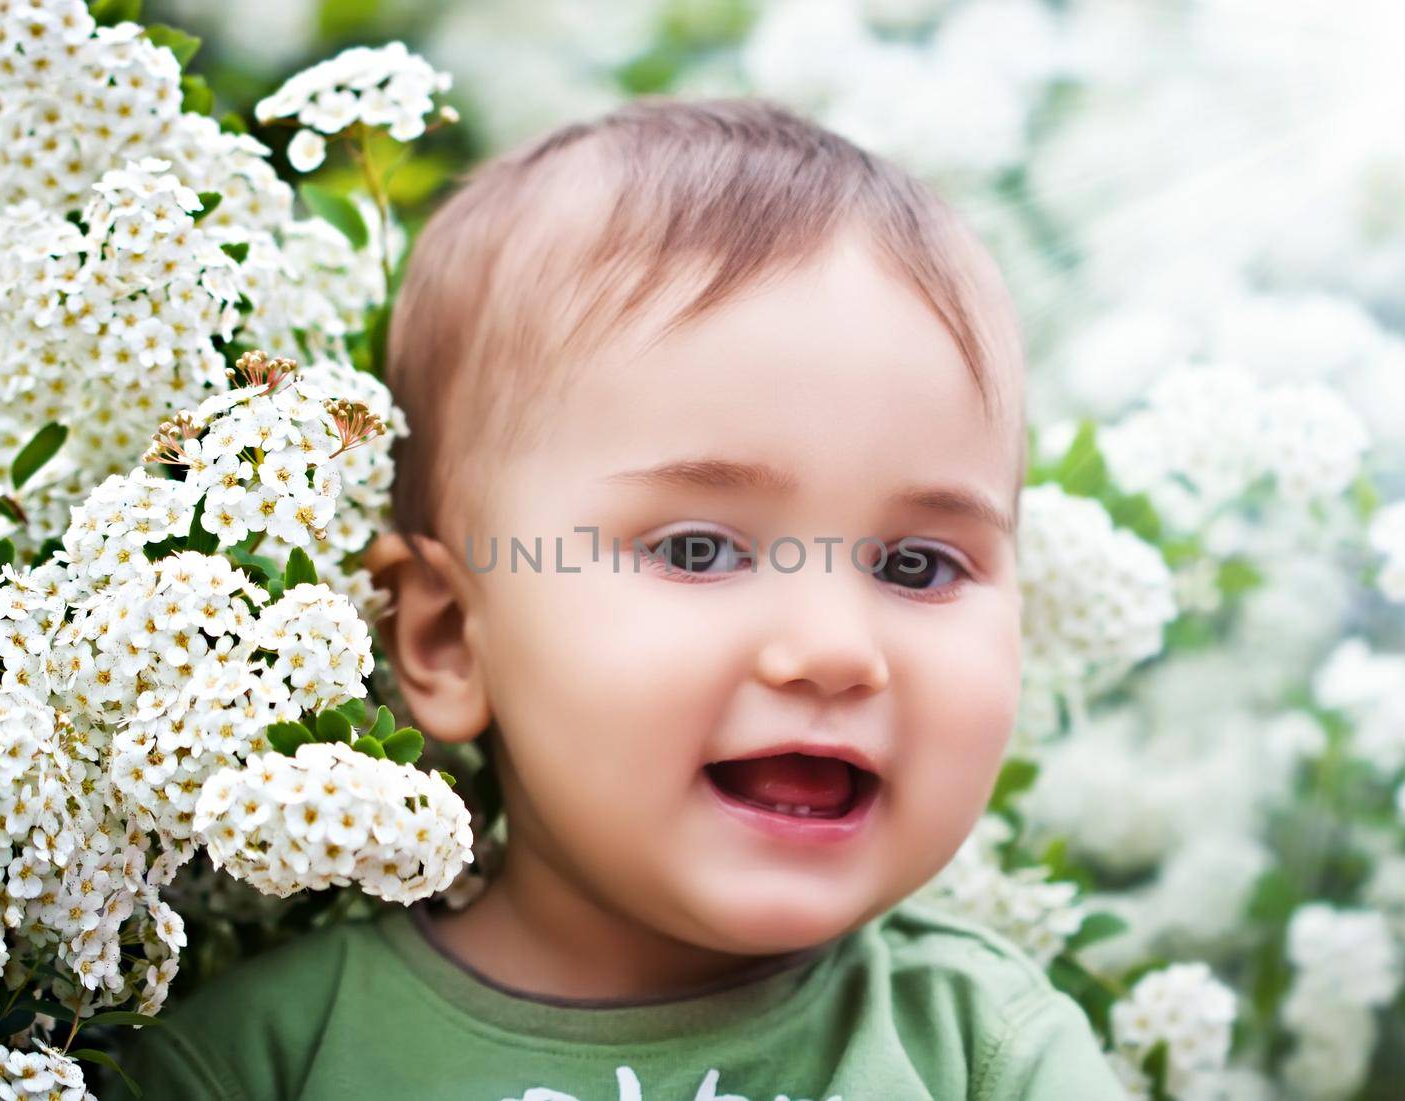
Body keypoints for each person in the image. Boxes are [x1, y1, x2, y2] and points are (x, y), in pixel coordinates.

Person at [113, 96, 1127, 1100]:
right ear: (450, 637)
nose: (833, 648)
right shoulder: (267, 1064)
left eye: (915, 566)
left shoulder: (987, 1055)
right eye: (698, 548)